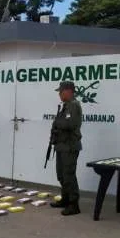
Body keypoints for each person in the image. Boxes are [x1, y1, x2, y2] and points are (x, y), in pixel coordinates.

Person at [49, 81, 82, 216]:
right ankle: (65, 199)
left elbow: (70, 124)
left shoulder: (74, 105)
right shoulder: (66, 106)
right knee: (61, 175)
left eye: (61, 92)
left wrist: (56, 122)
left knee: (69, 176)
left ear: (68, 91)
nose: (59, 94)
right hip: (62, 146)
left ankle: (74, 205)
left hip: (69, 146)